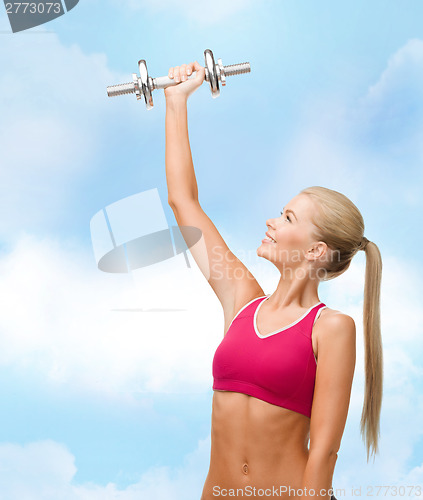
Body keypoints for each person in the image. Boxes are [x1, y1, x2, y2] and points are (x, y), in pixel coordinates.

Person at [164, 61, 383, 500]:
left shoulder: (331, 328)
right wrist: (176, 102)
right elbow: (183, 202)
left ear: (315, 250)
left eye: (287, 218)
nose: (271, 221)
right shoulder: (241, 299)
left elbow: (323, 453)